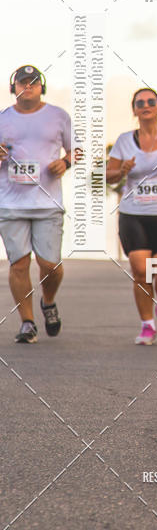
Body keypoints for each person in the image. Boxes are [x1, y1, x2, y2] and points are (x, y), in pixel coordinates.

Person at [106, 88, 157, 345]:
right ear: (134, 110)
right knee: (141, 270)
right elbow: (108, 176)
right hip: (134, 214)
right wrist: (122, 169)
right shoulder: (123, 141)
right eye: (140, 102)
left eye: (150, 101)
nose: (145, 105)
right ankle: (146, 326)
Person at [0, 66, 73, 343]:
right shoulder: (2, 119)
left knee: (50, 265)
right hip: (10, 203)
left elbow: (76, 149)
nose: (27, 87)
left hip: (47, 203)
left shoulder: (58, 116)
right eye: (22, 83)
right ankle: (27, 323)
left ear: (41, 87)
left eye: (33, 83)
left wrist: (65, 162)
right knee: (19, 264)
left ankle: (48, 301)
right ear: (13, 88)